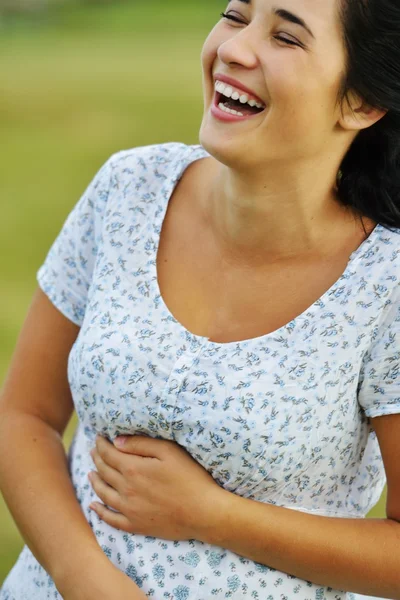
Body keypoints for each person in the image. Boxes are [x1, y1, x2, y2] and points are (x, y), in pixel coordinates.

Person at [1, 0, 400, 598]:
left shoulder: (386, 284)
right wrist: (85, 579)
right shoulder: (128, 189)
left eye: (287, 38)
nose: (235, 49)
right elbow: (22, 416)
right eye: (235, 15)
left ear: (362, 102)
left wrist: (211, 514)